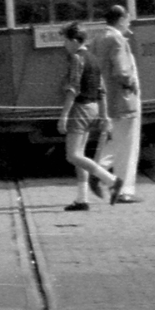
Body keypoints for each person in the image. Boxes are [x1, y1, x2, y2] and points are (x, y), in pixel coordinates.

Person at [56, 23, 119, 211]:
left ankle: (112, 181)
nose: (64, 45)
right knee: (80, 156)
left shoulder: (77, 58)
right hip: (92, 108)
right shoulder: (93, 59)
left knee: (73, 155)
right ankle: (82, 199)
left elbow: (73, 88)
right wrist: (104, 115)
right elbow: (102, 90)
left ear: (75, 41)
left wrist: (64, 115)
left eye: (66, 41)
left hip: (80, 109)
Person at [89, 5, 142, 203]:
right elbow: (122, 71)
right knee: (127, 145)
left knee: (115, 140)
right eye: (128, 19)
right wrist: (131, 83)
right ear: (120, 20)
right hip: (123, 99)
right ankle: (123, 189)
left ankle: (100, 172)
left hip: (106, 99)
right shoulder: (117, 39)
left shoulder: (99, 38)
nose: (129, 23)